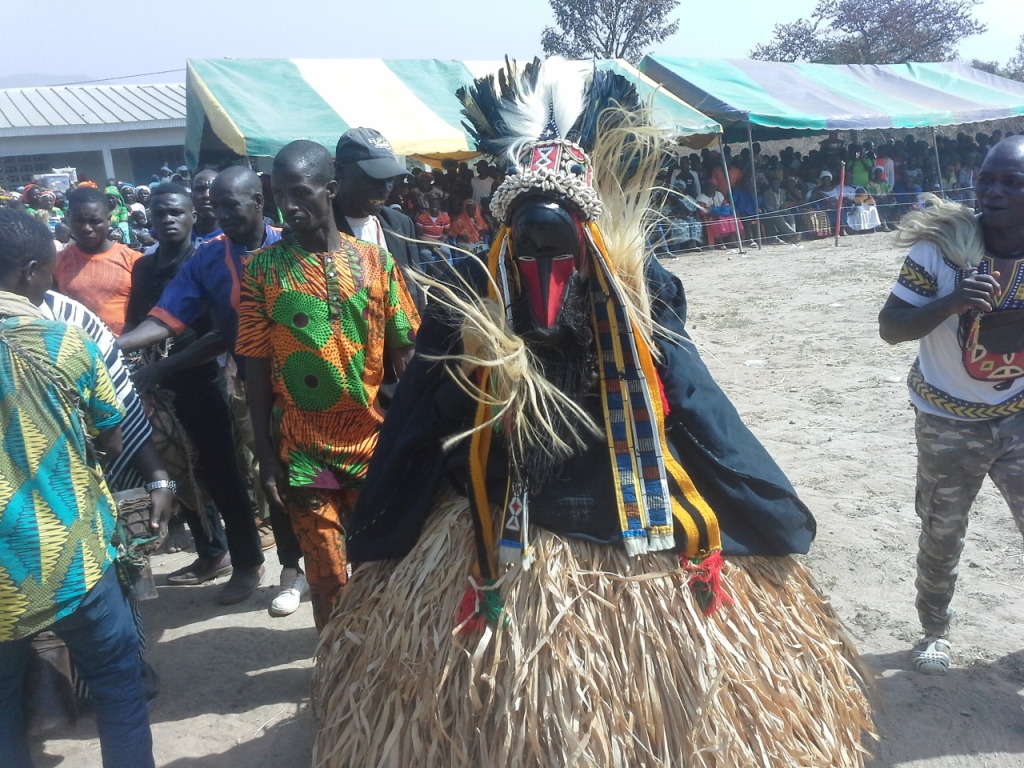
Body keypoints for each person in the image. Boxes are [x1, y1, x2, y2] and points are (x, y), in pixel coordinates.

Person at [312, 58, 872, 768]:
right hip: (494, 537)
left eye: (560, 246)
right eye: (529, 247)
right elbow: (425, 419)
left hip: (641, 529)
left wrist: (763, 508)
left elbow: (695, 405)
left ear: (591, 238)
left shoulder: (641, 292)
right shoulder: (468, 295)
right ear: (505, 236)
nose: (544, 269)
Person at [237, 140, 419, 631]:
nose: (289, 206)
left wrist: (420, 435)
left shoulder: (377, 265)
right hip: (305, 452)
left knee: (381, 564)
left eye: (301, 193)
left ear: (331, 189)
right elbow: (254, 369)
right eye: (280, 195)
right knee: (327, 572)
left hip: (373, 447)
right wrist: (268, 457)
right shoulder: (262, 271)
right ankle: (340, 674)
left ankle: (382, 665)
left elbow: (407, 358)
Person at [0, 208, 157, 768]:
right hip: (69, 558)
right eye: (48, 268)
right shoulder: (65, 341)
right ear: (27, 272)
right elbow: (112, 442)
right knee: (118, 684)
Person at [116, 169, 301, 610]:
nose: (220, 215)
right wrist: (109, 343)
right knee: (273, 477)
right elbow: (165, 318)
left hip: (315, 387)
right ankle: (289, 570)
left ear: (259, 201)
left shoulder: (292, 245)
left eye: (230, 205)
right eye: (215, 207)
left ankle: (336, 563)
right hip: (260, 391)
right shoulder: (208, 258)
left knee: (329, 475)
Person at [878, 136, 1024, 676]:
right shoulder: (940, 250)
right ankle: (933, 631)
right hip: (948, 420)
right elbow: (891, 328)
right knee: (942, 530)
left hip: (1019, 415)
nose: (995, 191)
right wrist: (952, 302)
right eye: (988, 179)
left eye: (1013, 182)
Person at [332, 127, 425, 313]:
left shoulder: (401, 225)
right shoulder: (317, 231)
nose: (385, 188)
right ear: (340, 172)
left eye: (390, 178)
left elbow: (417, 296)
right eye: (374, 177)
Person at [55, 186, 142, 335]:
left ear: (109, 219)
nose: (87, 228)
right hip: (78, 352)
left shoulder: (134, 260)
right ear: (69, 216)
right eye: (79, 221)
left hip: (127, 351)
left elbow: (145, 314)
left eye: (95, 221)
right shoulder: (57, 262)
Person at [190, 169, 219, 243]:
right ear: (191, 196)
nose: (206, 195)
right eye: (199, 189)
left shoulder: (234, 239)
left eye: (213, 189)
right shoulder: (181, 236)